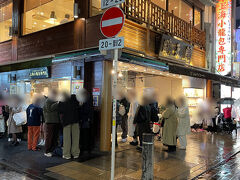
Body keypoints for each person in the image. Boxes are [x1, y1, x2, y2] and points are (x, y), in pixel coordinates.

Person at [59, 93, 80, 159]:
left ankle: (67, 154)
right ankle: (75, 153)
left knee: (67, 138)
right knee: (76, 138)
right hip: (76, 120)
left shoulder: (63, 100)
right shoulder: (76, 100)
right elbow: (79, 109)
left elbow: (60, 110)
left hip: (66, 121)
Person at [43, 89, 60, 157]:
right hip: (50, 121)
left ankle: (53, 150)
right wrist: (57, 103)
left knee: (54, 137)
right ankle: (47, 151)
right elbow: (50, 109)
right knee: (49, 137)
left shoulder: (53, 100)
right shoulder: (48, 100)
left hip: (55, 121)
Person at [77, 89, 94, 155]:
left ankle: (85, 147)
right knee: (87, 133)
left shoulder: (85, 101)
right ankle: (87, 147)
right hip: (88, 119)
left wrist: (80, 107)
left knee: (84, 134)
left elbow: (85, 111)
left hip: (85, 119)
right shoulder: (89, 99)